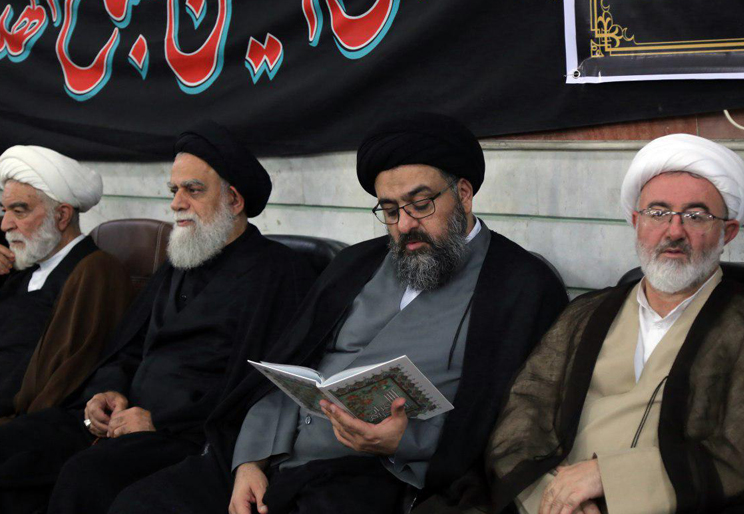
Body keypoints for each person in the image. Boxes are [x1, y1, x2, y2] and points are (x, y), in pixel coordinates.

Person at [106, 112, 568, 514]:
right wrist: (250, 459)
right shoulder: (355, 264)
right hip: (278, 458)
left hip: (381, 475)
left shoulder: (519, 286)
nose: (405, 224)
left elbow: (514, 422)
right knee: (140, 504)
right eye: (390, 210)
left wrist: (405, 441)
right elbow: (288, 372)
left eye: (420, 204)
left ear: (463, 193)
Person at [0, 122, 314, 514]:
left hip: (193, 434)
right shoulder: (180, 261)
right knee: (15, 444)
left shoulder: (278, 273)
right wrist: (107, 392)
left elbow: (257, 387)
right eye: (174, 190)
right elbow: (127, 349)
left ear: (234, 200)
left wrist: (158, 421)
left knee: (86, 477)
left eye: (192, 190)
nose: (177, 203)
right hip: (124, 418)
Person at [484, 134, 744, 514]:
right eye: (658, 213)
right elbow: (524, 412)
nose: (674, 231)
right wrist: (550, 496)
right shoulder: (585, 313)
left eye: (696, 216)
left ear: (727, 232)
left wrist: (608, 477)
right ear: (636, 221)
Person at [0, 146, 133, 423]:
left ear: (61, 216)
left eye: (19, 211)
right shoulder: (20, 270)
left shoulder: (96, 272)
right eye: (4, 211)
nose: (5, 225)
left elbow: (65, 377)